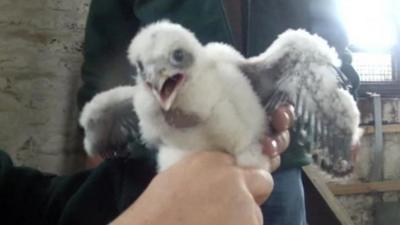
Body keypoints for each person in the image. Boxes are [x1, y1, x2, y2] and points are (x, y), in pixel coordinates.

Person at [77, 0, 359, 225]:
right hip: (162, 171)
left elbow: (330, 40)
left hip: (274, 164)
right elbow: (106, 55)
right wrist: (97, 158)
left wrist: (343, 113)